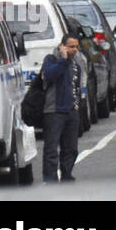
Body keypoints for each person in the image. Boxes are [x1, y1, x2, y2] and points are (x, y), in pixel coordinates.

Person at [41, 33, 82, 182]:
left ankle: (66, 174)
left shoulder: (76, 64)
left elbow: (77, 86)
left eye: (77, 47)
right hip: (54, 111)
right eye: (71, 47)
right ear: (62, 46)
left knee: (71, 148)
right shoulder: (52, 60)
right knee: (51, 148)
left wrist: (77, 106)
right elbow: (49, 75)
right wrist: (63, 60)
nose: (75, 50)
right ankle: (50, 178)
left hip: (71, 110)